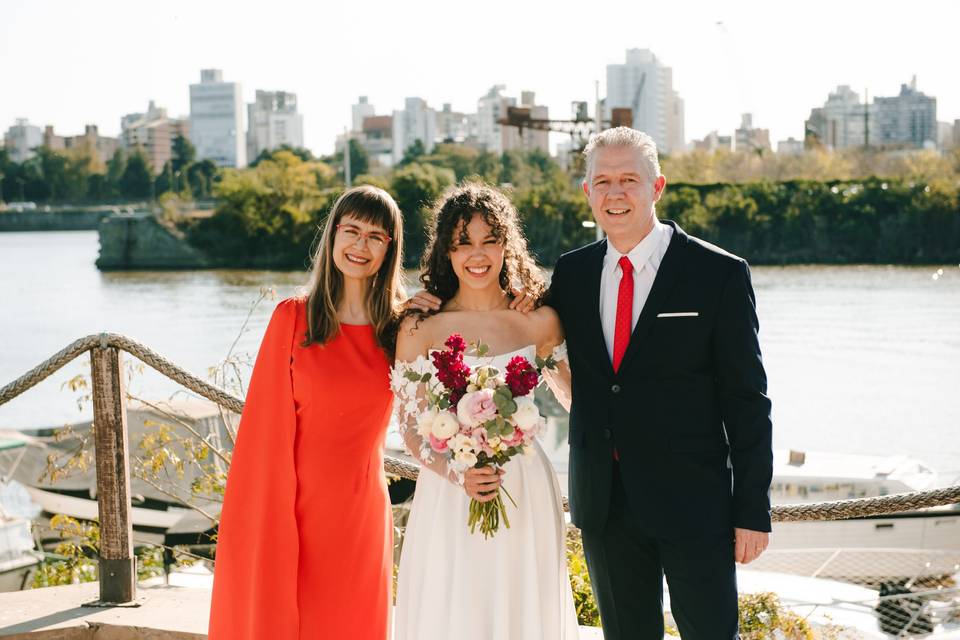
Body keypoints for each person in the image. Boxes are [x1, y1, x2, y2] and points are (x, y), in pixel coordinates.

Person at [544, 127, 774, 639]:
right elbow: (509, 314)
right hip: (604, 502)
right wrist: (426, 302)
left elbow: (747, 401)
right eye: (602, 181)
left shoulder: (717, 274)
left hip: (695, 502)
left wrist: (753, 510)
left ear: (658, 186)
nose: (615, 193)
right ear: (586, 192)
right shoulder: (572, 274)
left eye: (630, 179)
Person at [208, 186, 405, 640]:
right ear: (332, 235)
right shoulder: (292, 319)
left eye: (376, 236)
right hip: (293, 508)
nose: (361, 245)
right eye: (351, 230)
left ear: (390, 249)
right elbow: (262, 434)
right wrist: (265, 521)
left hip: (360, 514)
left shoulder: (400, 328)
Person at [392, 183, 579, 640]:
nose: (477, 255)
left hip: (525, 489)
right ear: (447, 252)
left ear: (507, 244)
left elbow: (578, 402)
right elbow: (411, 430)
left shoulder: (539, 322)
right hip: (449, 493)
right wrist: (458, 474)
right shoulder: (420, 326)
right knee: (455, 611)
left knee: (521, 610)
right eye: (463, 243)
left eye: (489, 240)